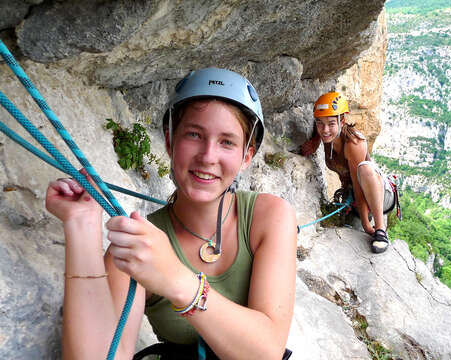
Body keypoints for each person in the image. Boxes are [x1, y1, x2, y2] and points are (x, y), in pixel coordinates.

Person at [45, 68, 297, 359]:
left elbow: (267, 351)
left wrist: (176, 280)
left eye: (227, 142)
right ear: (169, 142)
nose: (207, 156)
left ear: (246, 157)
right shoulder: (140, 242)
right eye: (194, 134)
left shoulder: (269, 217)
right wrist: (81, 226)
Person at [300, 91, 395, 253]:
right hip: (354, 198)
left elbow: (359, 187)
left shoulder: (354, 143)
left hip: (378, 195)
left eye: (331, 123)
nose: (325, 130)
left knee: (364, 168)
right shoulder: (327, 135)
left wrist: (367, 225)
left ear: (342, 121)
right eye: (320, 123)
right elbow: (322, 126)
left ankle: (381, 230)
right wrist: (315, 141)